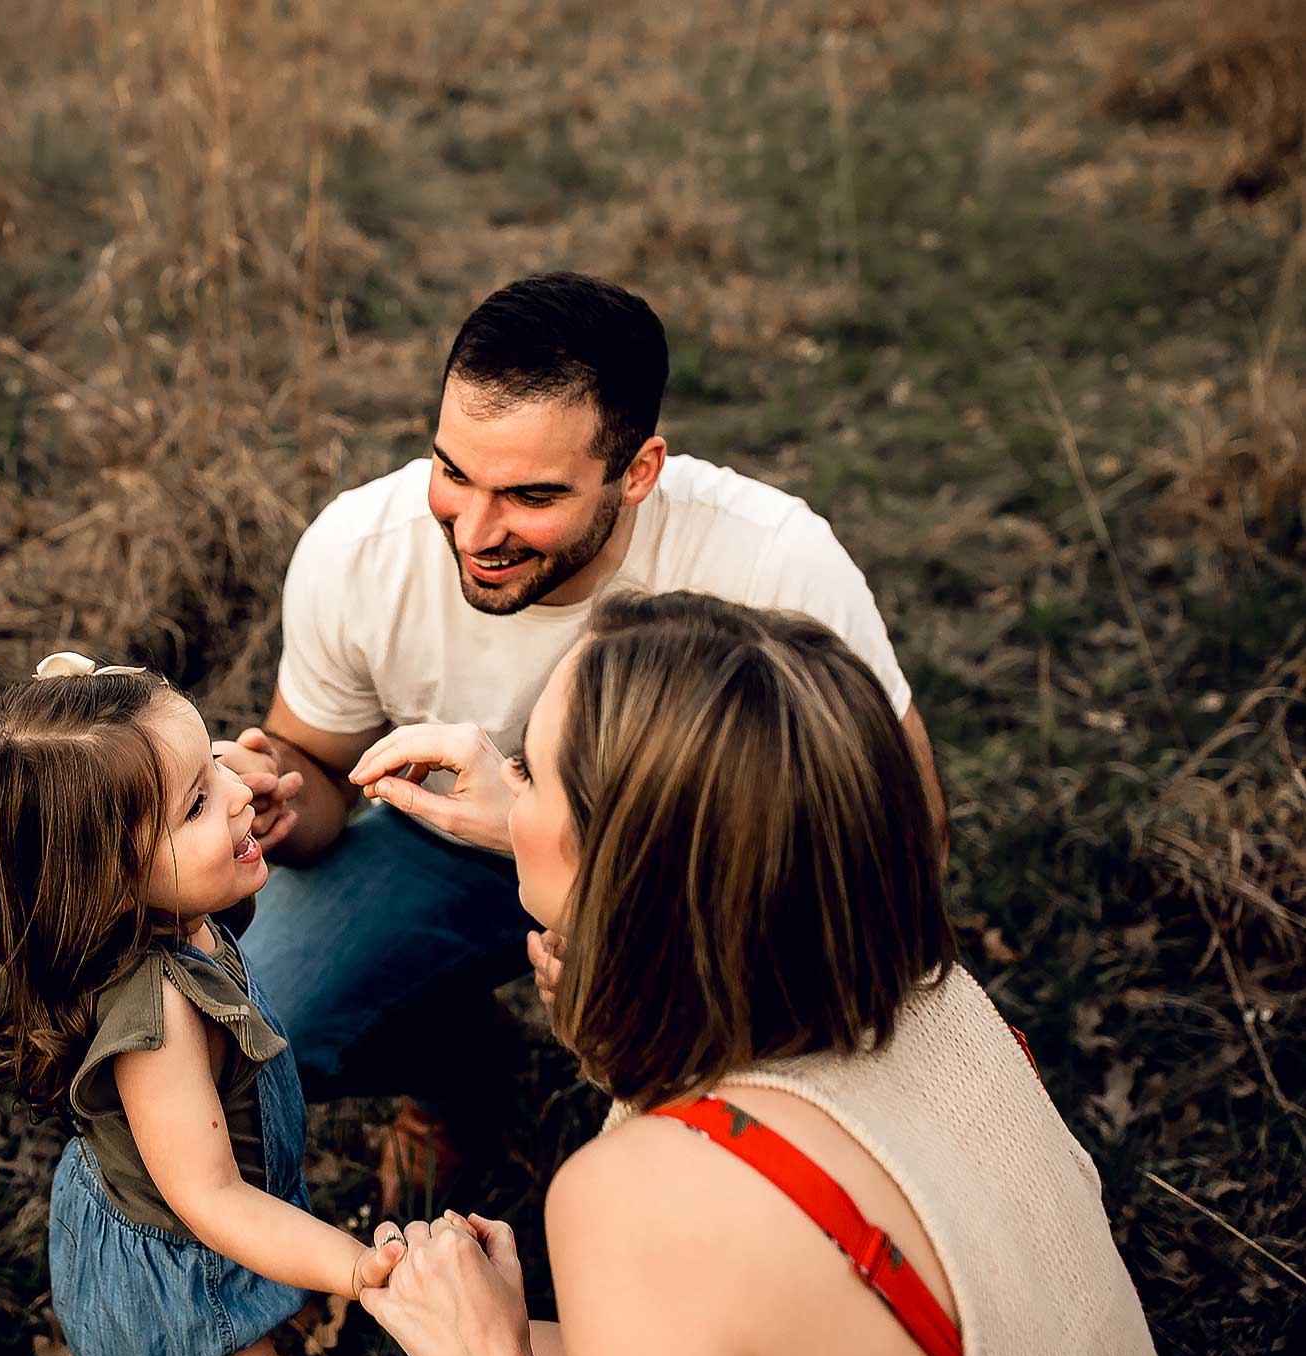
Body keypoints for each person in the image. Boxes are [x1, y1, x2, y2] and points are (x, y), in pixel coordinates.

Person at [217, 271, 943, 1197]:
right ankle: (463, 1068)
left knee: (701, 1160)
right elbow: (316, 765)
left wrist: (622, 927)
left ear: (638, 472)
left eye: (529, 494)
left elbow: (899, 841)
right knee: (260, 1010)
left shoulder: (773, 562)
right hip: (444, 845)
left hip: (702, 880)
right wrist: (282, 795)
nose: (474, 530)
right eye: (452, 471)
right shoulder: (360, 551)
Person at [353, 593, 1165, 1356]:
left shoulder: (636, 1198)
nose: (507, 789)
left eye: (527, 771)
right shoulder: (920, 986)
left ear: (628, 863)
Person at [0, 652, 405, 1356]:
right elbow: (212, 1199)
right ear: (110, 884)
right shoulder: (160, 1022)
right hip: (182, 1280)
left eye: (214, 763)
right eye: (198, 803)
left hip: (190, 1224)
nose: (239, 790)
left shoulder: (174, 911)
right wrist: (353, 1265)